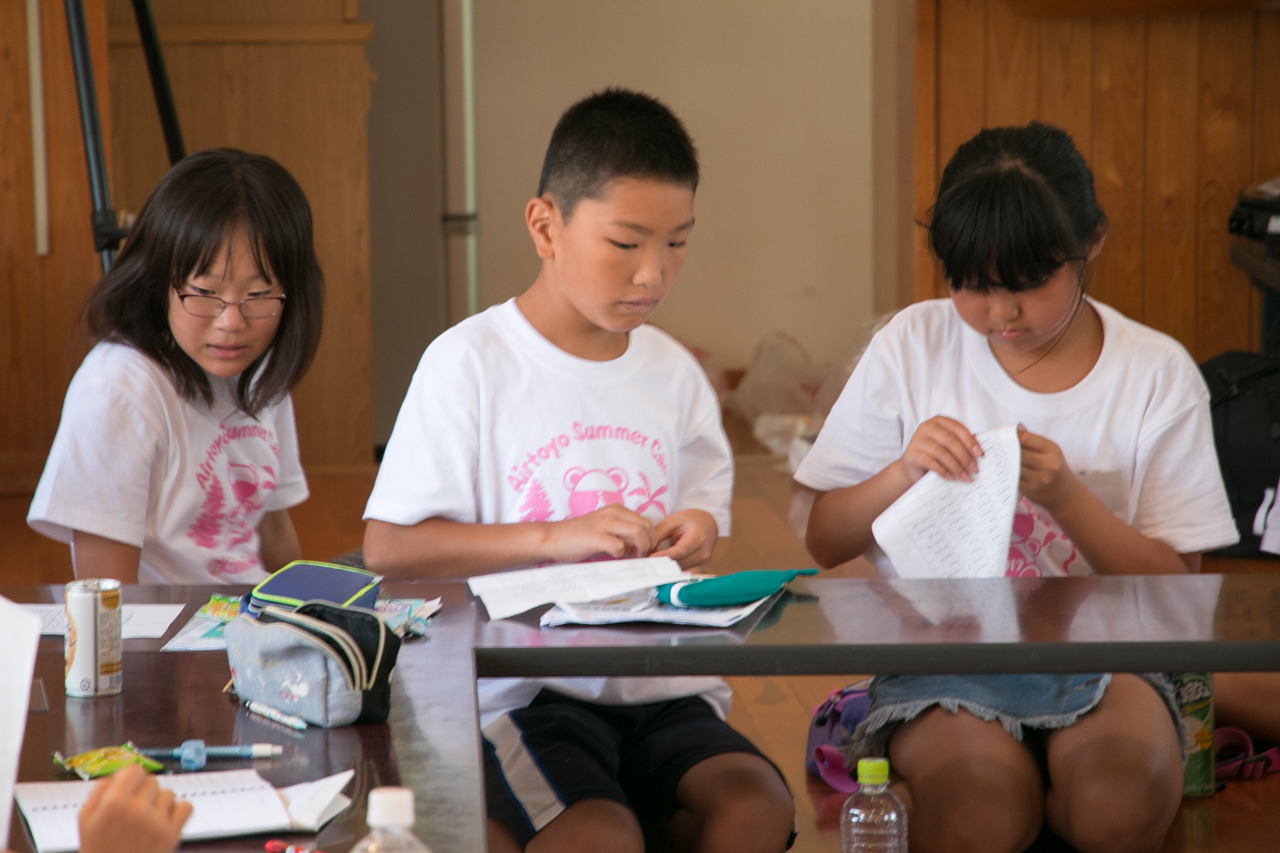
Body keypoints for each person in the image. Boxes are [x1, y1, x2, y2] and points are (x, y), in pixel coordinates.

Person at [363, 89, 795, 853]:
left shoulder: (674, 373)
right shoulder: (470, 363)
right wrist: (554, 536)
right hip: (525, 692)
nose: (653, 272)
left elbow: (703, 517)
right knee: (598, 835)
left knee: (757, 808)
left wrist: (697, 529)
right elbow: (390, 547)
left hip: (663, 684)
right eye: (625, 243)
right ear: (545, 226)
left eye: (677, 242)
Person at [796, 122, 1238, 853]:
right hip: (946, 663)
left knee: (1117, 811)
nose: (1000, 313)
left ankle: (1026, 796)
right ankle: (988, 795)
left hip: (1108, 661)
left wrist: (1068, 497)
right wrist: (902, 472)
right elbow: (824, 538)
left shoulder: (1155, 372)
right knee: (981, 817)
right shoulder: (912, 344)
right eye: (971, 285)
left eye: (1028, 284)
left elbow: (1178, 591)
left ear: (1091, 243)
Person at [27, 149, 323, 584]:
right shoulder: (117, 388)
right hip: (170, 626)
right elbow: (107, 595)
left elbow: (272, 526)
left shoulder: (260, 371)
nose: (231, 323)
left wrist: (313, 611)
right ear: (158, 281)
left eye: (259, 296)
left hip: (249, 615)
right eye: (204, 292)